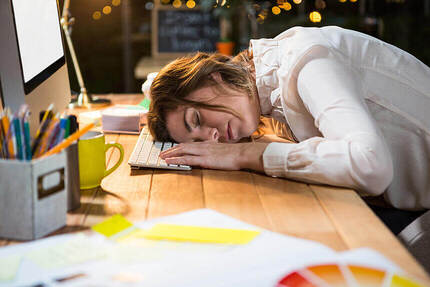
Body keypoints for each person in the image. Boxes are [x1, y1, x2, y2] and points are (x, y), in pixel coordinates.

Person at [147, 26, 430, 232]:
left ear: (213, 77)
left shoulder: (304, 60)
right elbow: (152, 84)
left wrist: (248, 154)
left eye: (196, 119)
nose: (212, 138)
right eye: (199, 142)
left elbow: (371, 167)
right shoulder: (266, 79)